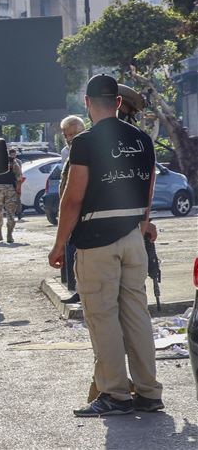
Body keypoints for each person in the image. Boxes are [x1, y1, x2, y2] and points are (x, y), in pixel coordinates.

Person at [48, 74, 163, 417]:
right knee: (136, 316)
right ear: (116, 102)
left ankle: (115, 394)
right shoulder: (143, 140)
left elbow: (72, 200)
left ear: (86, 103)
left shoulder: (85, 143)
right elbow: (148, 191)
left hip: (98, 244)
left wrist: (58, 245)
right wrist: (142, 226)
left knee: (103, 318)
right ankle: (148, 392)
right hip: (132, 239)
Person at [59, 115, 87, 303]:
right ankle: (79, 289)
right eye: (66, 135)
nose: (69, 139)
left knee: (82, 256)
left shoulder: (88, 151)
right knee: (75, 255)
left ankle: (83, 291)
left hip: (84, 215)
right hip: (73, 215)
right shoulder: (69, 154)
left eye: (73, 134)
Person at [0, 148, 23, 243]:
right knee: (11, 213)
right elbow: (19, 177)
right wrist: (18, 190)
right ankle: (9, 235)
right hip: (11, 189)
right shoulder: (13, 162)